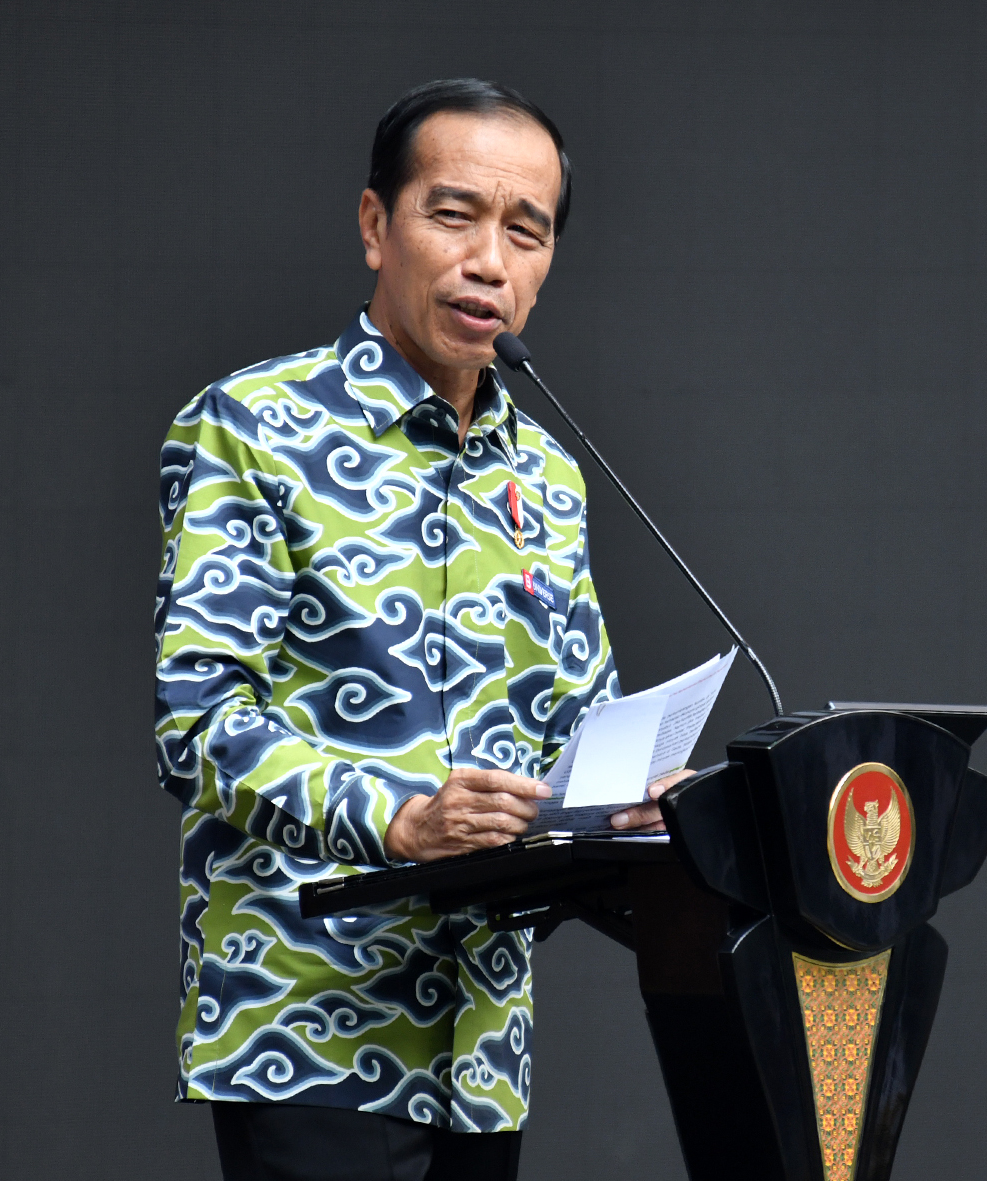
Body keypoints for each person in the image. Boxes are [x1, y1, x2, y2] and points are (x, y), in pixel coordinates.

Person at [154, 78, 675, 1181]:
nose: (489, 260)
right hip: (304, 1023)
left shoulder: (550, 475)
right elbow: (200, 725)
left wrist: (639, 799)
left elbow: (579, 726)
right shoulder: (253, 428)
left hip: (480, 1043)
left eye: (526, 231)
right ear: (374, 225)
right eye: (454, 214)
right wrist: (399, 819)